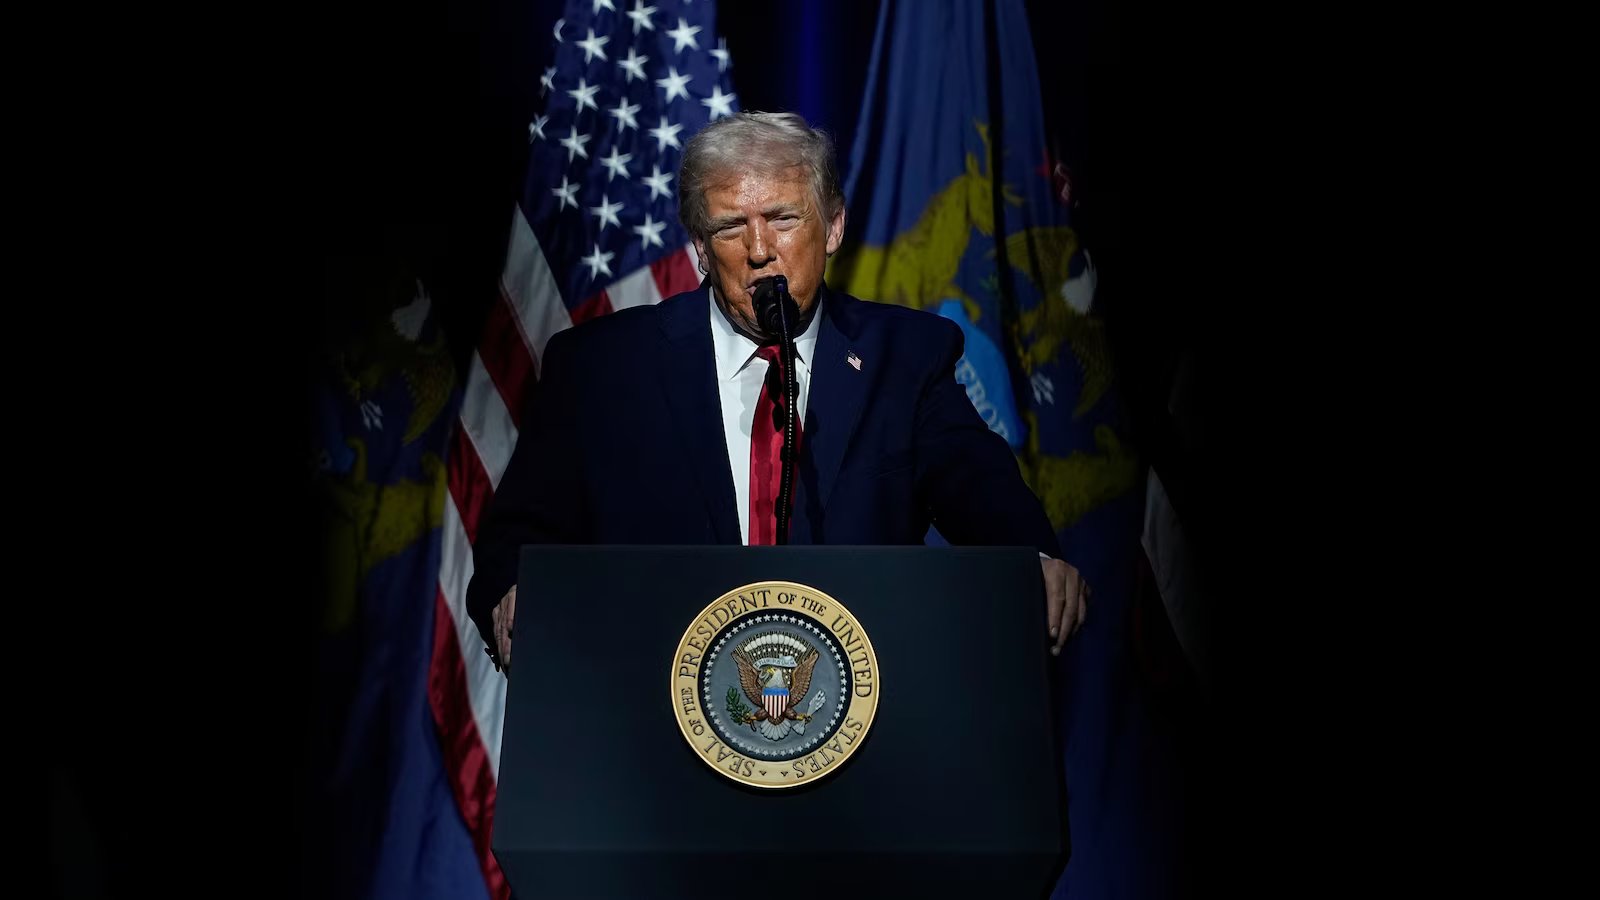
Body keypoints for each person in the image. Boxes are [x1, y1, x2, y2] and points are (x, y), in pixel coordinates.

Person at [466, 111, 1088, 672]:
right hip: (648, 714)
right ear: (701, 249)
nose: (760, 250)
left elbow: (981, 490)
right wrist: (512, 593)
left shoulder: (905, 358)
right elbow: (514, 538)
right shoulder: (603, 368)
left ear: (834, 226)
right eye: (731, 227)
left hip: (857, 711)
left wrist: (1034, 563)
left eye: (783, 219)